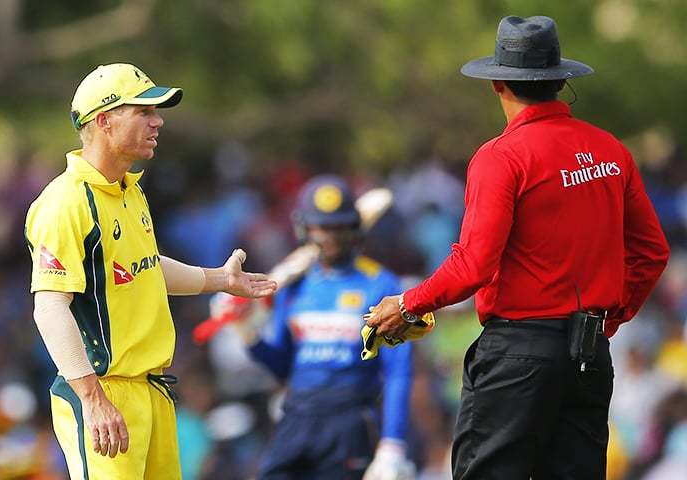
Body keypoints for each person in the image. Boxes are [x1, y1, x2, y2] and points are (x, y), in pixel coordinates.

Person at [365, 15, 670, 479]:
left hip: (520, 353)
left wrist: (409, 303)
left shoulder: (501, 156)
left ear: (497, 84)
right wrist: (606, 321)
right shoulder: (610, 150)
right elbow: (651, 253)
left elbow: (474, 265)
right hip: (588, 354)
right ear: (561, 80)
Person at [24, 63, 277, 480]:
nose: (157, 121)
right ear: (104, 121)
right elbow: (49, 307)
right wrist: (92, 399)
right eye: (143, 111)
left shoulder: (130, 189)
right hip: (103, 392)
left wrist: (220, 279)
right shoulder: (64, 203)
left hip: (152, 391)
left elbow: (144, 268)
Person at [220, 175, 416, 479]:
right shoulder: (294, 285)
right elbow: (284, 366)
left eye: (337, 228)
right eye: (320, 228)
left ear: (354, 229)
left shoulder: (381, 285)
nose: (328, 238)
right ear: (304, 228)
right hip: (296, 417)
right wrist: (248, 334)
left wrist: (393, 443)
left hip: (349, 421)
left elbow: (397, 371)